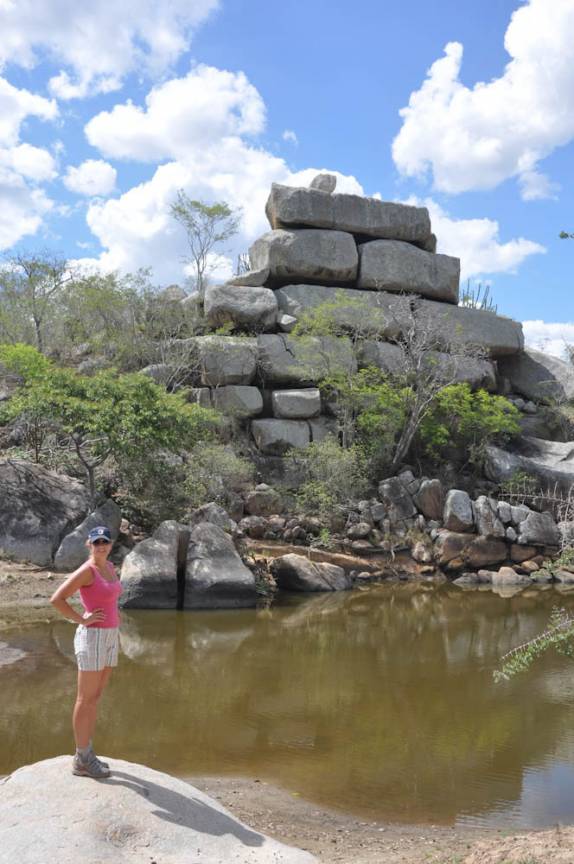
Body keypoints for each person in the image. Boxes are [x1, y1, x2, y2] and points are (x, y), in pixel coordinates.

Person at [50, 525, 122, 779]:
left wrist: (114, 617)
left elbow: (110, 598)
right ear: (88, 545)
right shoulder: (86, 571)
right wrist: (82, 619)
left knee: (96, 697)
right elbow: (57, 599)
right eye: (96, 542)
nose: (101, 545)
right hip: (93, 637)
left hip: (111, 635)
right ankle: (81, 758)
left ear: (111, 544)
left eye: (105, 541)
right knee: (85, 699)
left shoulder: (110, 567)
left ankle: (86, 751)